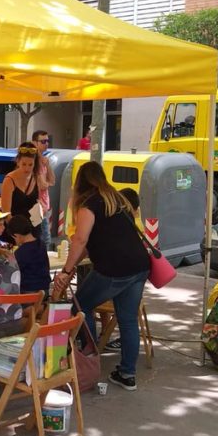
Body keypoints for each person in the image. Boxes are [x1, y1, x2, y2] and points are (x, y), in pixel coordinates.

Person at [53, 161, 150, 392]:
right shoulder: (117, 198)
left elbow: (80, 240)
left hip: (113, 269)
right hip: (138, 266)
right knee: (127, 320)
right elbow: (91, 243)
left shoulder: (89, 204)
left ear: (80, 182)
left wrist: (66, 270)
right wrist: (74, 263)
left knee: (80, 307)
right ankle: (127, 374)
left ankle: (89, 356)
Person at [0, 142, 41, 242]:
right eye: (24, 164)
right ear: (18, 162)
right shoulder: (9, 180)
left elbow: (36, 204)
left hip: (33, 229)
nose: (27, 168)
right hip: (14, 232)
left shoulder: (35, 177)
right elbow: (6, 213)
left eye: (30, 165)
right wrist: (19, 235)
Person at [7, 215, 51, 297]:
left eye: (14, 238)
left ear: (16, 235)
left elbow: (11, 272)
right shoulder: (41, 244)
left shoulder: (21, 252)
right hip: (45, 290)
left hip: (29, 294)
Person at [31, 130, 56, 250]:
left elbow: (52, 181)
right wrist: (46, 182)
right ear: (34, 143)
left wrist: (48, 165)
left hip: (43, 207)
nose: (46, 144)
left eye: (47, 141)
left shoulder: (44, 161)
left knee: (43, 239)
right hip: (36, 207)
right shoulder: (35, 162)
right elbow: (43, 185)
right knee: (43, 239)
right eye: (43, 141)